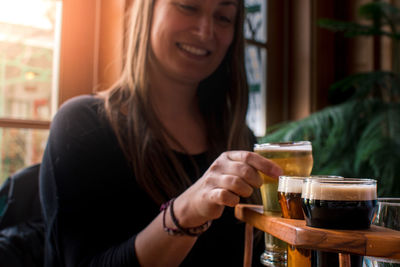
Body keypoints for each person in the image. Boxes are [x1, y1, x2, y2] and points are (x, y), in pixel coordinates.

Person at [39, 0, 283, 266]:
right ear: (149, 10)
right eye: (188, 7)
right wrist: (186, 211)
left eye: (223, 18)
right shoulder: (82, 124)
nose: (205, 31)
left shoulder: (239, 138)